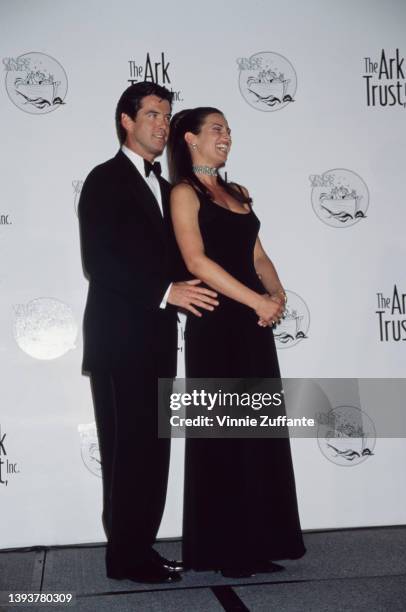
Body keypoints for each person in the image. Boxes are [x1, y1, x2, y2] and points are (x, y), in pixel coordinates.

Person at [78, 84, 218, 584]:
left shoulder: (167, 186)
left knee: (152, 452)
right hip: (119, 343)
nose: (163, 124)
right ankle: (125, 558)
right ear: (126, 120)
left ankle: (141, 548)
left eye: (167, 115)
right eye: (153, 114)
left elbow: (185, 260)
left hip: (158, 342)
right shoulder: (104, 179)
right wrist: (166, 292)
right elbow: (100, 262)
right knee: (127, 453)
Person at [167, 107, 306, 577]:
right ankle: (223, 549)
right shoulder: (183, 194)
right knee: (223, 434)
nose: (227, 136)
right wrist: (256, 301)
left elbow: (258, 254)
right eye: (217, 129)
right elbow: (196, 260)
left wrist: (277, 294)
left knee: (256, 432)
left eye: (228, 129)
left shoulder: (237, 193)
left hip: (252, 324)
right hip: (216, 323)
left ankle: (257, 540)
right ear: (190, 138)